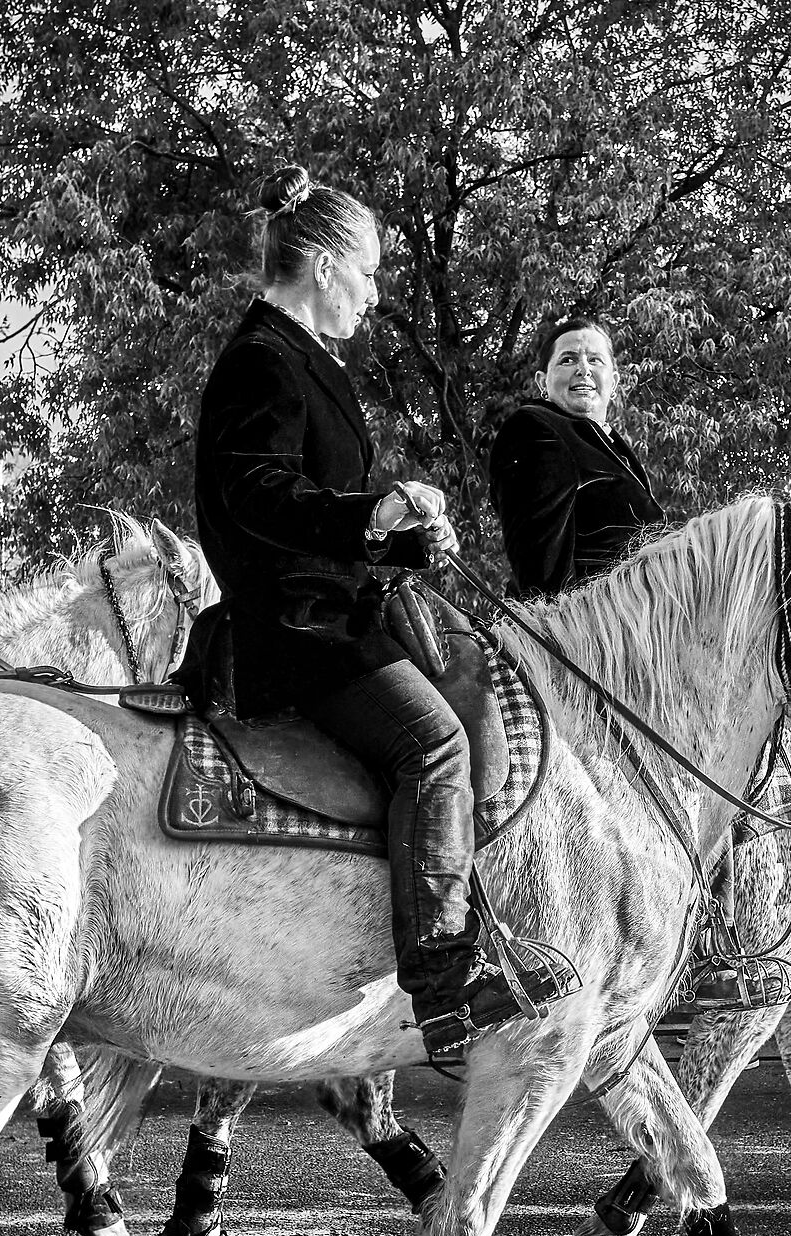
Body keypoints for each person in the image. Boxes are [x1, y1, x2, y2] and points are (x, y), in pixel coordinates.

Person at [184, 164, 519, 1056]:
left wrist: (404, 539)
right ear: (327, 265)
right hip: (298, 630)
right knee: (436, 742)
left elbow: (317, 510)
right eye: (368, 274)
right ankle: (444, 977)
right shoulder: (263, 359)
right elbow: (256, 490)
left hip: (330, 609)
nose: (374, 295)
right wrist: (367, 512)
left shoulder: (299, 358)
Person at [490, 316, 665, 598]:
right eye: (568, 360)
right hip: (583, 634)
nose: (583, 369)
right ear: (542, 382)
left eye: (595, 360)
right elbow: (541, 579)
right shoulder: (534, 428)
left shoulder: (615, 448)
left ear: (615, 381)